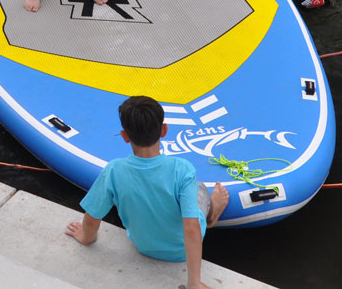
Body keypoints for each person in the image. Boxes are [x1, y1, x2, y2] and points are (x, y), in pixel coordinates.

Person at [64, 96, 229, 289]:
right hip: (180, 251)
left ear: (125, 136)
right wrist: (194, 283)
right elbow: (191, 226)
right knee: (199, 187)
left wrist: (86, 237)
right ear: (164, 130)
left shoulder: (114, 170)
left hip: (143, 245)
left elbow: (92, 217)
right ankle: (212, 213)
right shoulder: (182, 169)